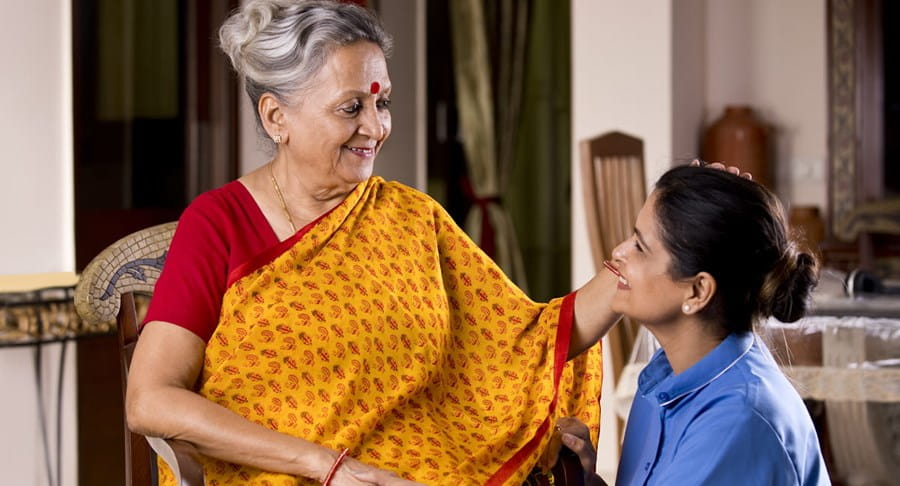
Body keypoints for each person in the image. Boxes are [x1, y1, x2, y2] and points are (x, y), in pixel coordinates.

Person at [126, 1, 619, 485]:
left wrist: (638, 264)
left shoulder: (411, 217)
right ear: (277, 118)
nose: (376, 127)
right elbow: (150, 400)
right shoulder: (219, 224)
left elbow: (525, 341)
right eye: (351, 108)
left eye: (381, 103)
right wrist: (327, 466)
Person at [550, 164, 830, 485]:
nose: (618, 251)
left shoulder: (734, 425)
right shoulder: (665, 377)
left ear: (697, 291)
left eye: (640, 247)